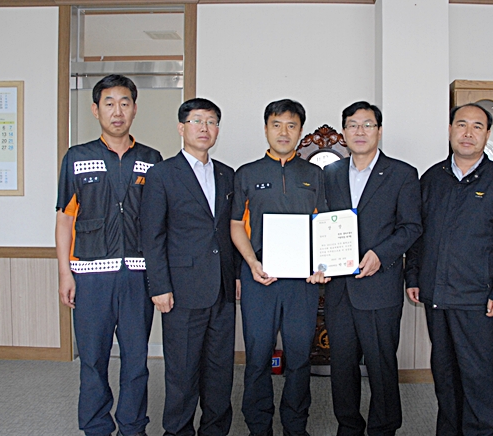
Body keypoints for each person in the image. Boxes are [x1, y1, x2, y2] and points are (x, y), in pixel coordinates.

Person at [405, 103, 493, 436]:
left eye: (477, 126)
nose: (468, 133)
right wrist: (413, 275)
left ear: (487, 134)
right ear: (450, 130)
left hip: (478, 299)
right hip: (436, 296)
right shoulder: (432, 178)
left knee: (477, 379)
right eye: (461, 125)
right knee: (444, 376)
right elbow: (418, 233)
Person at [56, 74, 162, 436]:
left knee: (136, 360)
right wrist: (65, 274)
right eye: (109, 104)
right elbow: (65, 218)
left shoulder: (151, 159)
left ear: (134, 109)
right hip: (90, 276)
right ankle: (97, 427)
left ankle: (133, 426)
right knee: (93, 359)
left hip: (137, 275)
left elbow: (159, 222)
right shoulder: (77, 157)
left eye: (124, 103)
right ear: (95, 110)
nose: (117, 112)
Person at [309, 101, 422, 436]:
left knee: (381, 364)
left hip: (380, 287)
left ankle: (384, 428)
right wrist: (319, 260)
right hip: (339, 288)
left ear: (379, 131)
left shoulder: (402, 174)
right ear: (344, 132)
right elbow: (321, 223)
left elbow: (411, 227)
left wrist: (380, 255)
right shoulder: (329, 174)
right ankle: (348, 426)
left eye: (367, 124)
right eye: (353, 125)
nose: (360, 131)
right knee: (342, 366)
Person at [140, 98, 240, 436]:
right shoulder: (162, 174)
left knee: (220, 371)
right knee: (182, 372)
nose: (204, 128)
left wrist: (236, 275)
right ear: (181, 128)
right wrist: (159, 286)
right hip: (181, 291)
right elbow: (152, 235)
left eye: (211, 122)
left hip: (222, 289)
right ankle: (178, 430)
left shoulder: (227, 174)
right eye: (197, 121)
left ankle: (215, 430)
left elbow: (230, 231)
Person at [230, 99, 327, 436]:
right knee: (258, 355)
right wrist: (252, 263)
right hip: (260, 278)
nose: (283, 132)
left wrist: (321, 264)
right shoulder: (247, 173)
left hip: (302, 281)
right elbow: (235, 225)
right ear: (266, 128)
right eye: (276, 124)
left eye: (291, 125)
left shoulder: (315, 175)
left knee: (299, 357)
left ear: (300, 131)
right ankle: (258, 425)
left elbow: (324, 224)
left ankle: (295, 425)